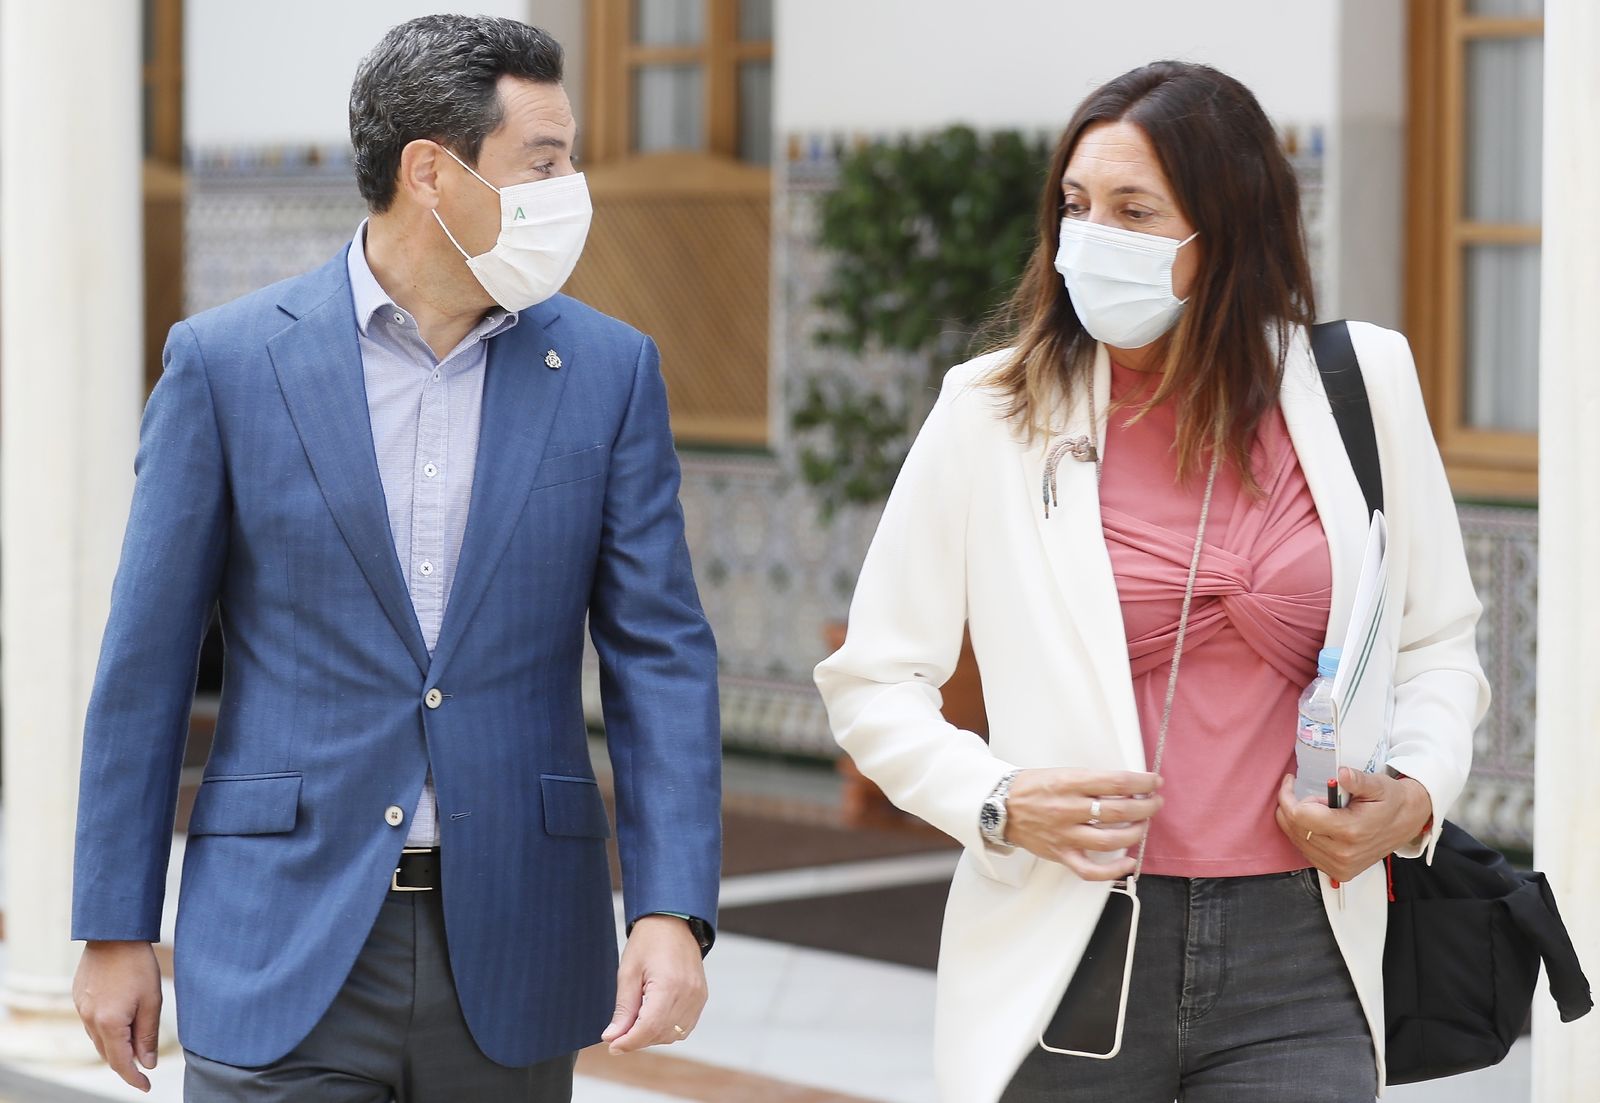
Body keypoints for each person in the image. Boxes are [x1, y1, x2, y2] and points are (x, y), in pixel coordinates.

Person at [70, 15, 721, 1101]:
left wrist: (671, 904)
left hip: (515, 938)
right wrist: (112, 922)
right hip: (281, 934)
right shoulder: (227, 364)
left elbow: (660, 653)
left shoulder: (609, 372)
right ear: (432, 171)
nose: (572, 188)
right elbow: (144, 663)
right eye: (544, 161)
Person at [814, 60, 1488, 1103]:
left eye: (1134, 210)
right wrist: (994, 798)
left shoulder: (1363, 384)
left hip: (1303, 948)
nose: (1091, 239)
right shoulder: (990, 410)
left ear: (1229, 230)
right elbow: (872, 679)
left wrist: (1414, 796)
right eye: (1075, 207)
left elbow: (1437, 638)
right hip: (1073, 939)